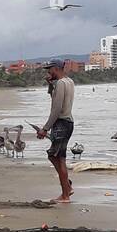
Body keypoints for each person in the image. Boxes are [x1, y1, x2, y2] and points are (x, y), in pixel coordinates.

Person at [35, 59, 76, 203]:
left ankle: (66, 193)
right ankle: (66, 187)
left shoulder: (60, 84)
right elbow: (54, 97)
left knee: (57, 158)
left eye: (50, 69)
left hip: (61, 124)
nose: (48, 72)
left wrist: (45, 129)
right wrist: (50, 85)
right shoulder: (68, 81)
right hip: (68, 122)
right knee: (56, 156)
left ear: (56, 68)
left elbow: (56, 108)